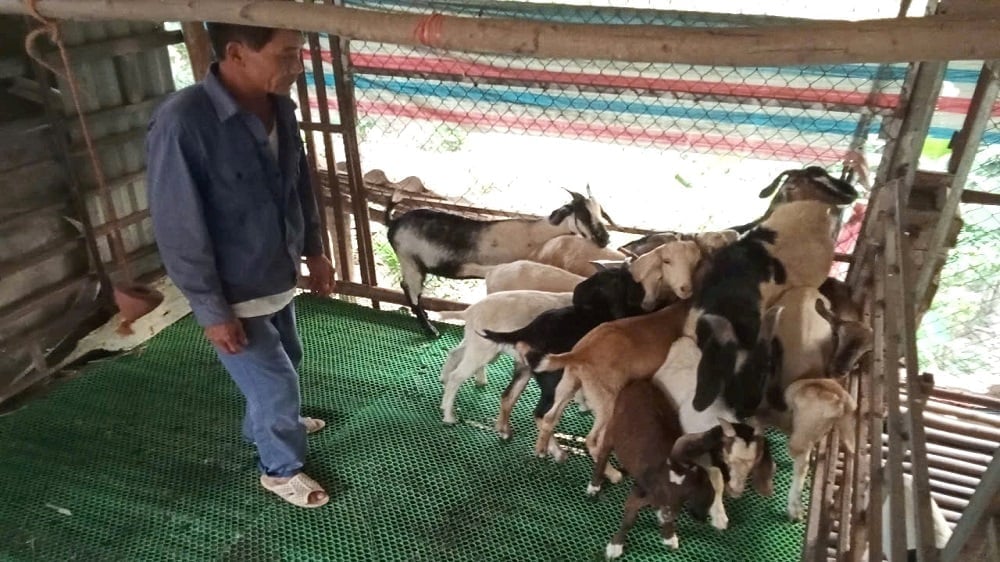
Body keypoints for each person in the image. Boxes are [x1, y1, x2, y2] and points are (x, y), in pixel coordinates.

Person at [146, 21, 334, 508]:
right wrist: (211, 309)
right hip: (234, 287)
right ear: (236, 53)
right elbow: (177, 223)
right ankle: (280, 469)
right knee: (276, 382)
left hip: (274, 272)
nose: (297, 66)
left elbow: (298, 186)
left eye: (299, 54)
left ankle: (269, 425)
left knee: (286, 361)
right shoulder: (183, 120)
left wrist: (314, 248)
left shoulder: (281, 110)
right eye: (286, 55)